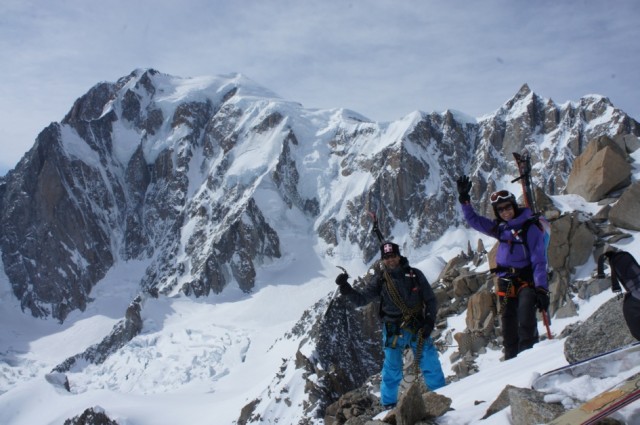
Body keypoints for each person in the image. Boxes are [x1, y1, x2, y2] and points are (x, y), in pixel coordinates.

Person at [335, 241, 446, 408]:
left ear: (399, 256)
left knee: (429, 359)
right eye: (386, 257)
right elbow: (362, 299)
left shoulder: (415, 275)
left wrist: (429, 321)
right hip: (393, 327)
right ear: (382, 259)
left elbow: (430, 299)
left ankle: (442, 396)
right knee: (392, 368)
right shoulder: (380, 280)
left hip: (416, 323)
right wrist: (346, 289)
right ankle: (388, 405)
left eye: (392, 256)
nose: (390, 260)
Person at [456, 175, 550, 360]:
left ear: (514, 206)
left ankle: (529, 358)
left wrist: (541, 289)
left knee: (525, 318)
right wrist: (465, 201)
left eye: (508, 207)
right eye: (500, 209)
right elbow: (474, 221)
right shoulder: (501, 228)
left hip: (526, 281)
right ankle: (511, 360)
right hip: (506, 281)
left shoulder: (529, 227)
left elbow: (539, 260)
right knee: (507, 323)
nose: (505, 212)